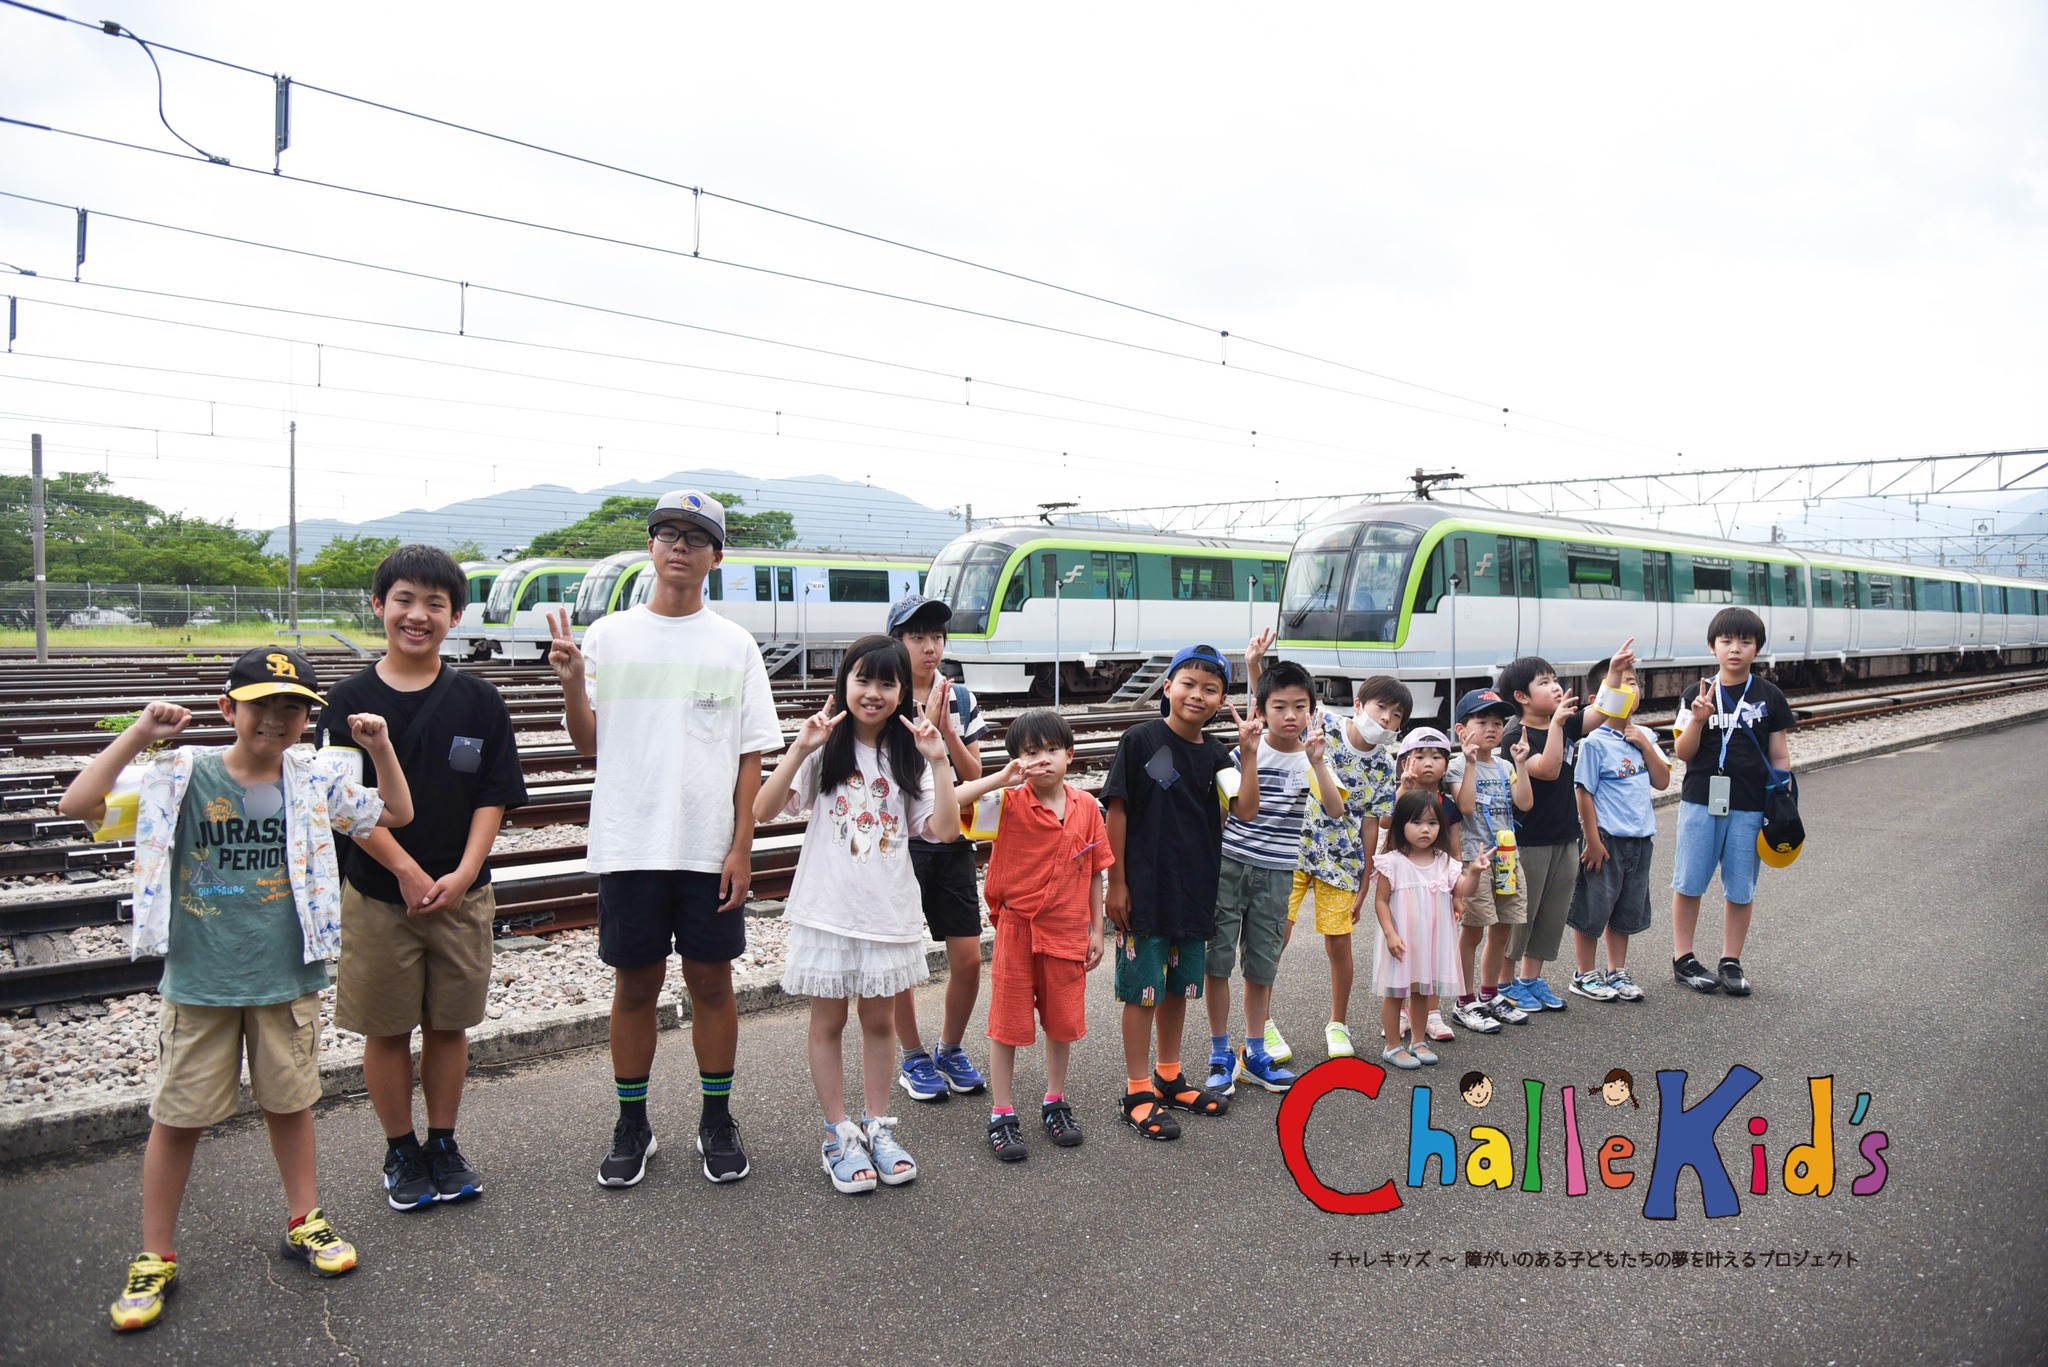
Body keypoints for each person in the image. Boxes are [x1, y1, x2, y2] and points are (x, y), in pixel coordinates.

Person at [59, 648, 415, 1332]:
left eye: (294, 707)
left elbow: (394, 813)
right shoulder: (182, 772)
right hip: (202, 979)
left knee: (291, 1102)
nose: (277, 719)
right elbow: (79, 804)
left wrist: (381, 745)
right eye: (262, 704)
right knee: (179, 1115)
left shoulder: (314, 777)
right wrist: (139, 732)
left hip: (286, 974)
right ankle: (155, 1252)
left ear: (310, 720)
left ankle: (304, 1218)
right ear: (229, 709)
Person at [548, 490, 784, 1189]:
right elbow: (589, 744)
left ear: (715, 557)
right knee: (635, 986)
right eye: (666, 533)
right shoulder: (609, 636)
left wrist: (741, 846)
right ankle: (633, 1123)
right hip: (629, 842)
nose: (678, 545)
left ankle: (716, 1118)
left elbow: (751, 757)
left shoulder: (734, 643)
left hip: (708, 849)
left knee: (713, 982)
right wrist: (569, 687)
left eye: (694, 536)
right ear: (651, 547)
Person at [318, 545, 528, 1211]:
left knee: (448, 1025)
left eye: (435, 604)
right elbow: (341, 804)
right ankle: (400, 1148)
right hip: (381, 894)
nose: (418, 614)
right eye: (404, 599)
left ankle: (443, 1141)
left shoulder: (478, 699)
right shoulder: (346, 701)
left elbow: (493, 794)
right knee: (386, 1028)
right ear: (378, 606)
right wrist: (407, 869)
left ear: (456, 615)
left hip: (463, 895)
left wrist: (465, 872)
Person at [754, 635, 959, 1193]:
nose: (873, 692)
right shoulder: (825, 749)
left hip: (886, 913)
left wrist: (940, 762)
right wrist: (799, 748)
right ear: (843, 681)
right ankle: (837, 1134)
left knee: (878, 1022)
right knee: (828, 1022)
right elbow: (762, 809)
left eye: (887, 683)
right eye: (863, 679)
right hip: (828, 911)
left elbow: (945, 830)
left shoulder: (909, 753)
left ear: (900, 692)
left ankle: (877, 1126)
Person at [1100, 644, 1261, 1140]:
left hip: (1193, 890)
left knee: (1177, 988)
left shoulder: (1216, 755)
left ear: (1220, 700)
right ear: (1167, 686)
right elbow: (1117, 810)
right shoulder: (1140, 741)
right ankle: (1137, 1089)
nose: (1198, 695)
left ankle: (1169, 1075)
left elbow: (1247, 809)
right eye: (1188, 684)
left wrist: (1249, 753)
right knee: (1143, 990)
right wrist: (1117, 882)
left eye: (1211, 689)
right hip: (1144, 891)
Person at [951, 708, 1113, 1161]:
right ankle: (1001, 1111)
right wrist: (1001, 778)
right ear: (1017, 760)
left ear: (1070, 754)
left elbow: (1095, 871)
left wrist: (1096, 928)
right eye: (1031, 753)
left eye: (1052, 750)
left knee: (1062, 1020)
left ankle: (1054, 1099)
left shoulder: (1086, 807)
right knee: (1007, 1021)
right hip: (1018, 930)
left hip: (1067, 930)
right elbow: (949, 802)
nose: (1043, 760)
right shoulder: (1006, 803)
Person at [1203, 647, 1343, 1096]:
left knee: (1262, 966)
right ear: (1262, 711)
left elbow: (1337, 812)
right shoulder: (1246, 747)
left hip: (1279, 872)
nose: (1290, 715)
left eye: (1300, 707)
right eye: (1279, 707)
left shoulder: (1313, 757)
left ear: (1312, 711)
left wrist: (1318, 761)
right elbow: (1232, 812)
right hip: (1231, 866)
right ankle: (1220, 1052)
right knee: (1218, 960)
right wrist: (1251, 671)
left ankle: (1255, 1051)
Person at [882, 594, 991, 1104]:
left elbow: (979, 778)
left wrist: (947, 729)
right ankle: (913, 1056)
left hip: (951, 840)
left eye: (936, 637)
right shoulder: (882, 696)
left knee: (967, 958)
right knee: (903, 958)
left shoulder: (962, 699)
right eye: (916, 637)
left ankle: (950, 1048)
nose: (929, 647)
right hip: (897, 844)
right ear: (896, 642)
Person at [1668, 608, 1795, 996]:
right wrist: (1697, 720)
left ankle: (1731, 960)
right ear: (1712, 646)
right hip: (1699, 802)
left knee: (1741, 887)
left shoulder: (1769, 696)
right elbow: (1682, 752)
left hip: (1751, 805)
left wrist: (1783, 799)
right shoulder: (1696, 693)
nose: (1735, 649)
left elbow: (1779, 755)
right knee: (1689, 882)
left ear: (1757, 648)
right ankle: (1683, 958)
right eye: (1726, 642)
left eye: (1745, 642)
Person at [1286, 675, 1411, 1060]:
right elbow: (1277, 706)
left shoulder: (1384, 766)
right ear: (1359, 704)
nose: (1387, 721)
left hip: (1343, 857)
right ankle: (1264, 1024)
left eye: (1396, 716)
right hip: (1293, 846)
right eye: (1381, 709)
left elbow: (1373, 823)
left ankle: (1338, 1022)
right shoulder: (1324, 724)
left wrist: (1365, 879)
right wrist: (1257, 667)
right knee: (1277, 935)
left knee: (1339, 942)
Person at [1567, 644, 1670, 1002]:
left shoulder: (1646, 737)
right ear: (1602, 697)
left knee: (1625, 910)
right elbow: (1584, 792)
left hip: (1641, 839)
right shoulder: (1595, 742)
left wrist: (1645, 745)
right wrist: (1592, 840)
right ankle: (1583, 973)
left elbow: (1663, 781)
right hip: (1607, 838)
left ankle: (1617, 971)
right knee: (1593, 907)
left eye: (1635, 683)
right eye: (1623, 683)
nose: (1632, 689)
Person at [1494, 657, 1584, 1015]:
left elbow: (1605, 712)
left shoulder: (1565, 723)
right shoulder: (1515, 736)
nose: (1555, 687)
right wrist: (1559, 724)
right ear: (1522, 696)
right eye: (1544, 683)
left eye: (1554, 680)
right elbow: (1547, 769)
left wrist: (1617, 674)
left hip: (1565, 834)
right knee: (1520, 915)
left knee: (1551, 913)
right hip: (1529, 840)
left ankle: (1531, 979)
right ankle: (1504, 982)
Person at [1442, 689, 1534, 1035]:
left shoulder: (1505, 764)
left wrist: (1522, 764)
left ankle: (1490, 992)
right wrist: (1467, 763)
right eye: (1482, 721)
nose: (1492, 728)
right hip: (1474, 858)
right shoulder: (1454, 766)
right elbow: (1464, 807)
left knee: (1503, 926)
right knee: (1474, 930)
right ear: (1461, 729)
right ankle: (1465, 1001)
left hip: (1508, 857)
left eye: (1497, 722)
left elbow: (1524, 803)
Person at [1371, 790, 1471, 1071]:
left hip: (1431, 941)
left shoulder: (1444, 861)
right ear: (1401, 824)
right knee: (1395, 993)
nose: (1425, 829)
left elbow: (1463, 888)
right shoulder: (1392, 861)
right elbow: (1380, 901)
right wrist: (1390, 933)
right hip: (1400, 939)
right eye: (1416, 822)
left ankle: (1417, 1040)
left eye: (1432, 823)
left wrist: (1475, 873)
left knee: (1421, 992)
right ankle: (1392, 1045)